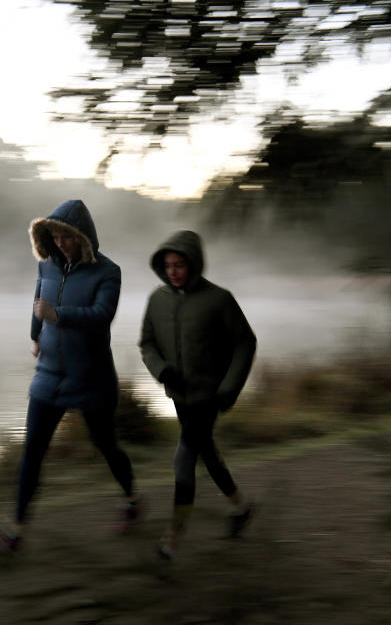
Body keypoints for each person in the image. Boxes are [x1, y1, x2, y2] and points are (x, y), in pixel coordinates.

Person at [0, 199, 140, 557]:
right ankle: (14, 531)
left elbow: (101, 316)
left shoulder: (108, 272)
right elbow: (38, 302)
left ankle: (132, 499)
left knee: (106, 446)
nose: (59, 242)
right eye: (53, 236)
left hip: (91, 377)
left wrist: (58, 316)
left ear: (82, 236)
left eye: (65, 236)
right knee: (33, 453)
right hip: (49, 375)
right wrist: (35, 334)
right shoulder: (47, 267)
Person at [139, 230, 257, 560]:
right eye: (168, 265)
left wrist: (229, 389)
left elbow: (245, 343)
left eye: (180, 264)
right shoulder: (157, 300)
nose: (174, 270)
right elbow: (146, 343)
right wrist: (161, 369)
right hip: (179, 394)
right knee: (207, 453)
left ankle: (173, 539)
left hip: (209, 396)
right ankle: (242, 508)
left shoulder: (219, 299)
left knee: (184, 460)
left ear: (194, 263)